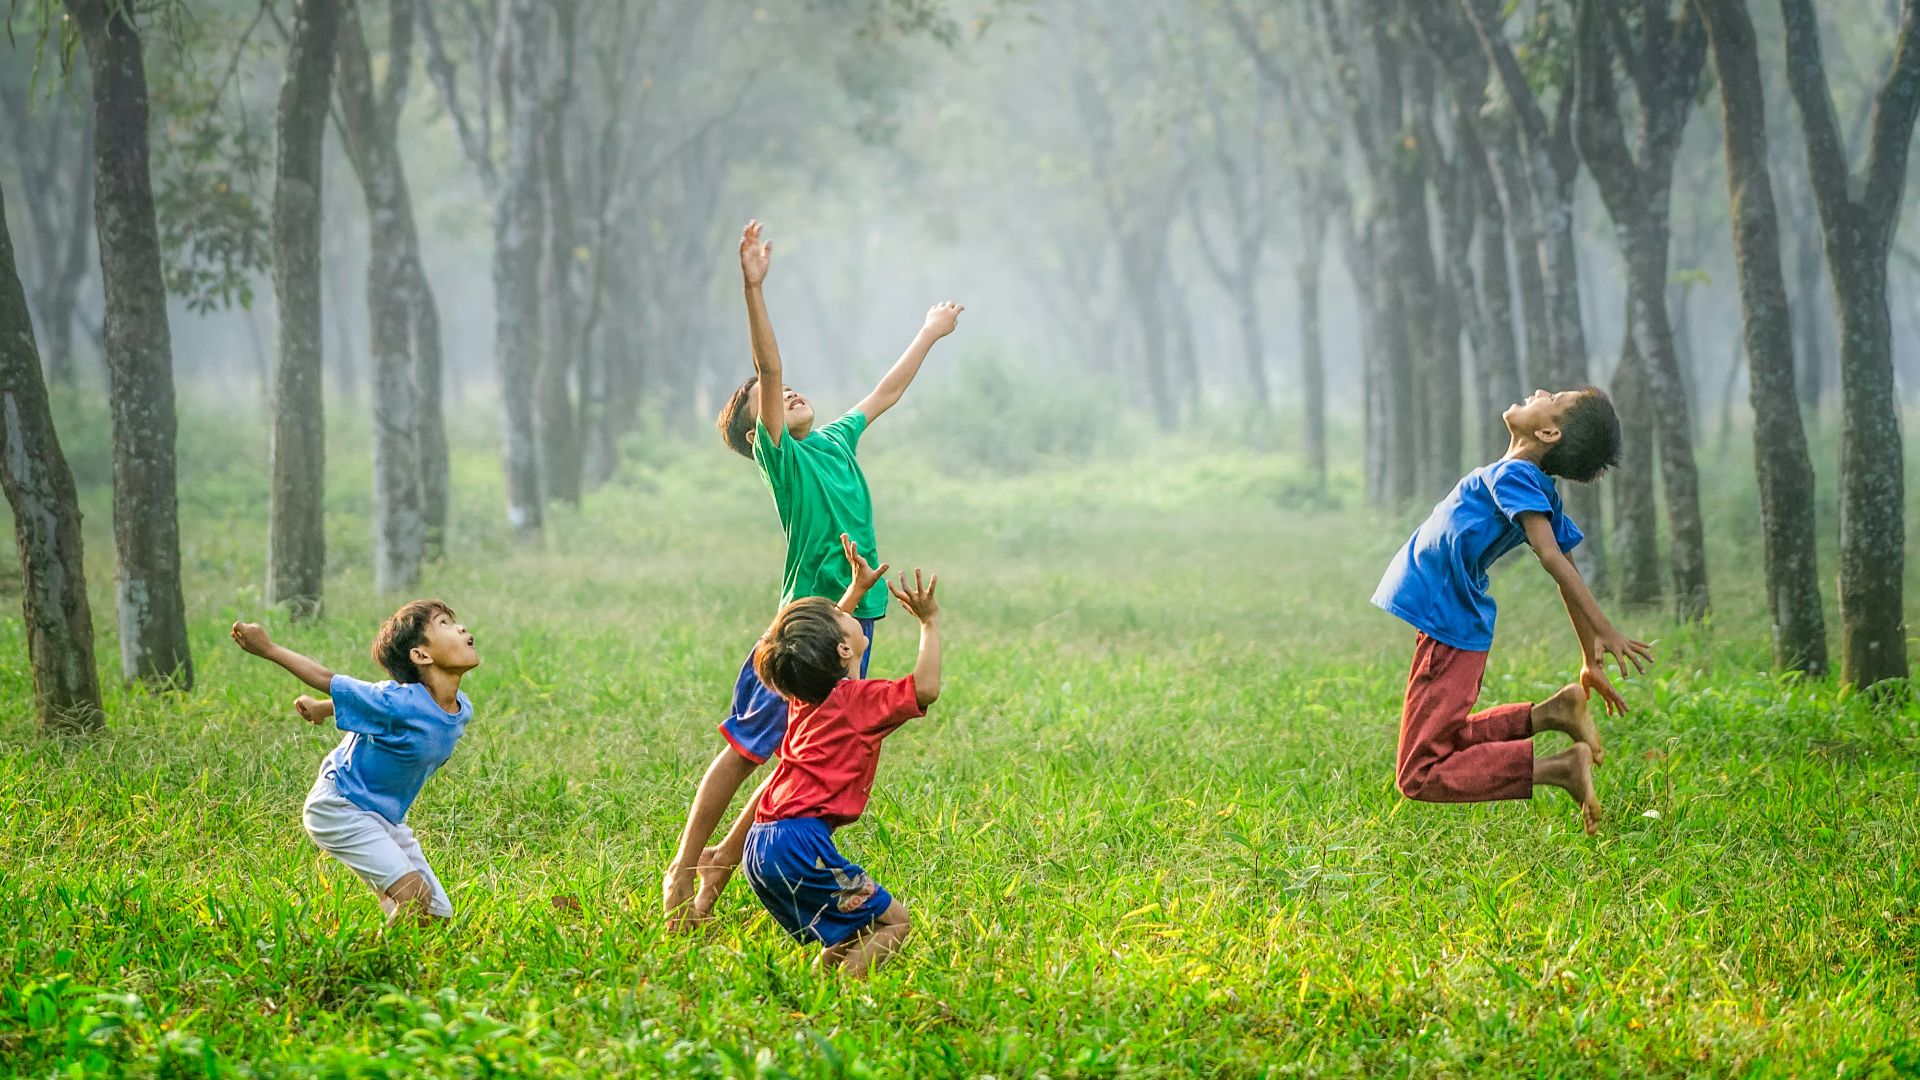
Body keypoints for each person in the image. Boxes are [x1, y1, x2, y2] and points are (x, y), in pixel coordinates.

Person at [663, 218, 962, 927]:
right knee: (746, 749)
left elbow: (885, 392)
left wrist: (928, 332)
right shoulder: (784, 460)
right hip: (803, 628)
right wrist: (753, 287)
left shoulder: (833, 440)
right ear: (754, 431)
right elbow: (767, 368)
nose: (786, 391)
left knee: (803, 758)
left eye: (791, 389)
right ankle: (685, 869)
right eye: (766, 400)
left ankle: (714, 883)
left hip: (852, 622)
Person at [1371, 388, 1654, 834]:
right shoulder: (1525, 480)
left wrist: (1604, 630)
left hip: (1449, 623)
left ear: (1548, 431)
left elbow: (1553, 557)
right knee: (1444, 741)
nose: (1540, 391)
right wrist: (1588, 657)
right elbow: (1566, 563)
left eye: (1554, 396)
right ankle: (1553, 714)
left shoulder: (1518, 476)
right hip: (1449, 620)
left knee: (1419, 772)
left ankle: (1559, 769)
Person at [744, 538, 940, 976]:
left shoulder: (804, 693)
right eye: (842, 615)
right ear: (844, 650)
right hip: (800, 847)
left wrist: (853, 592)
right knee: (896, 922)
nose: (846, 610)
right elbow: (925, 688)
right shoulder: (859, 702)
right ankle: (840, 999)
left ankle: (817, 985)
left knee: (854, 928)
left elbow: (821, 644)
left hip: (762, 845)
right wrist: (929, 622)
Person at [230, 601, 479, 925]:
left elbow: (372, 709)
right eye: (444, 624)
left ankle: (402, 960)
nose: (460, 628)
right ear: (420, 655)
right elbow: (327, 678)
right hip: (340, 806)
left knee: (435, 917)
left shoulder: (461, 709)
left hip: (384, 818)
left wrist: (322, 709)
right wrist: (268, 648)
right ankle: (361, 969)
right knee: (414, 898)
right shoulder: (398, 701)